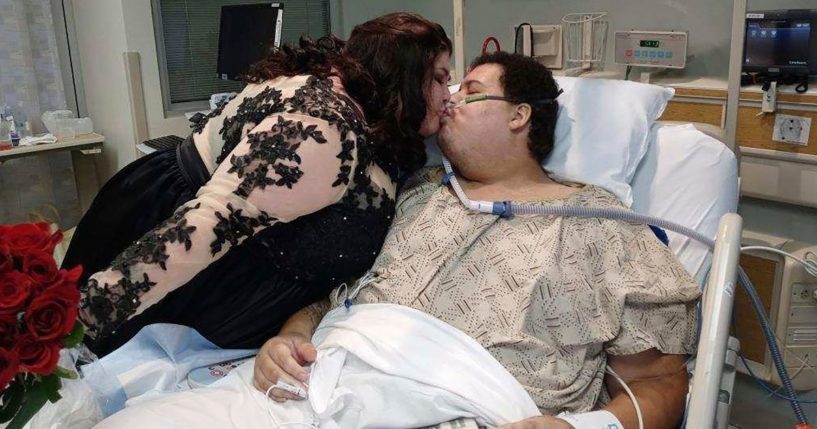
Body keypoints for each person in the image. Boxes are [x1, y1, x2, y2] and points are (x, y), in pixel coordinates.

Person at [94, 53, 700, 429]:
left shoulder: (603, 224)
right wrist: (290, 337)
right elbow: (329, 299)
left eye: (469, 88)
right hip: (306, 388)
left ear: (521, 116)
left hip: (465, 407)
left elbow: (659, 384)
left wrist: (583, 428)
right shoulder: (411, 193)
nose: (449, 100)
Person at [61, 12, 453, 356]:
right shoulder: (322, 130)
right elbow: (204, 228)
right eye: (439, 79)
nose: (449, 96)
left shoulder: (351, 98)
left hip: (166, 208)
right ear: (401, 78)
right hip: (179, 259)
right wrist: (76, 325)